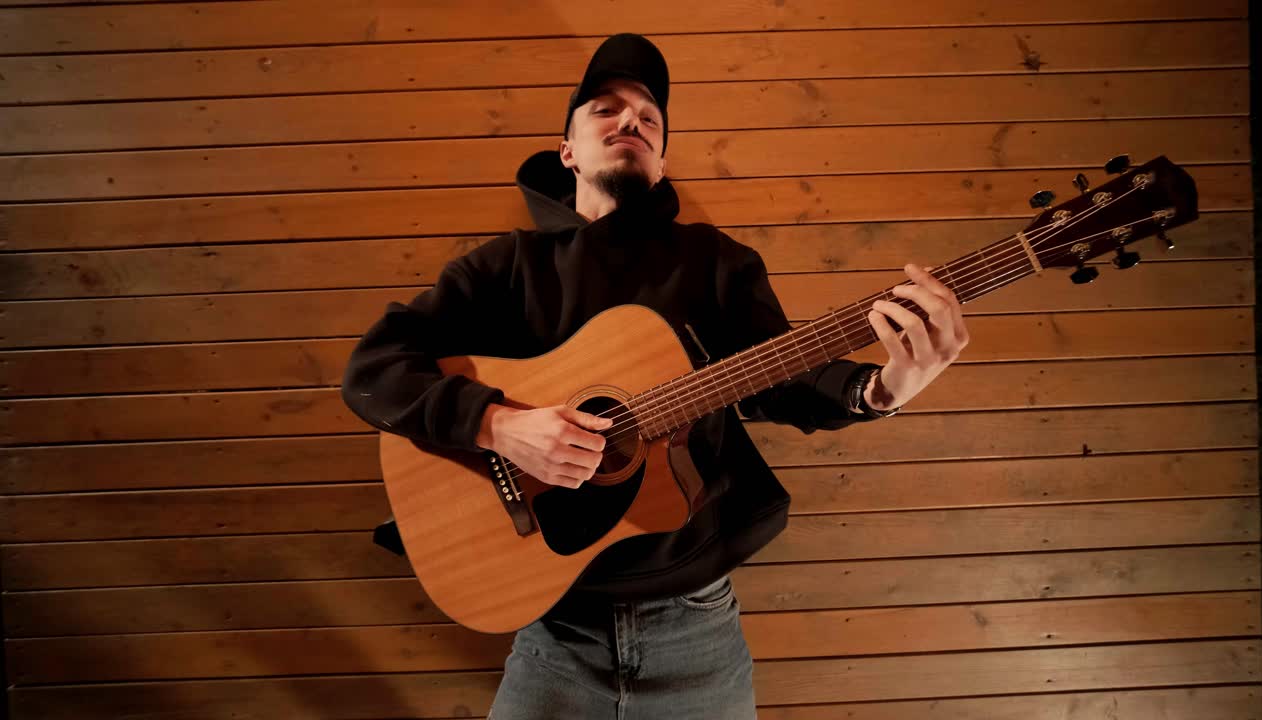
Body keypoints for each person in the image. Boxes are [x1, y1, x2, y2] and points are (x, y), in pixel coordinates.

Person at [341, 33, 969, 720]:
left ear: (662, 160)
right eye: (605, 109)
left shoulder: (713, 263)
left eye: (648, 117)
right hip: (555, 633)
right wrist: (499, 425)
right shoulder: (501, 270)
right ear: (568, 152)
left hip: (696, 630)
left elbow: (782, 373)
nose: (630, 121)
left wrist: (881, 388)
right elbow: (375, 368)